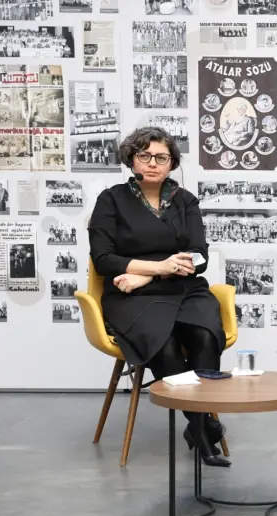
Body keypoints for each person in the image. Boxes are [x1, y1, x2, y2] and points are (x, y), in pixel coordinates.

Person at [88, 126, 231, 468]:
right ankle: (202, 428)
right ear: (132, 159)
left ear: (172, 163)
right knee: (164, 345)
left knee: (205, 335)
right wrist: (156, 268)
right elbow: (103, 259)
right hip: (131, 296)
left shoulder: (185, 200)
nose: (153, 163)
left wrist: (149, 273)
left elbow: (199, 256)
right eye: (145, 156)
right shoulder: (111, 200)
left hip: (182, 288)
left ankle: (198, 425)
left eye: (161, 157)